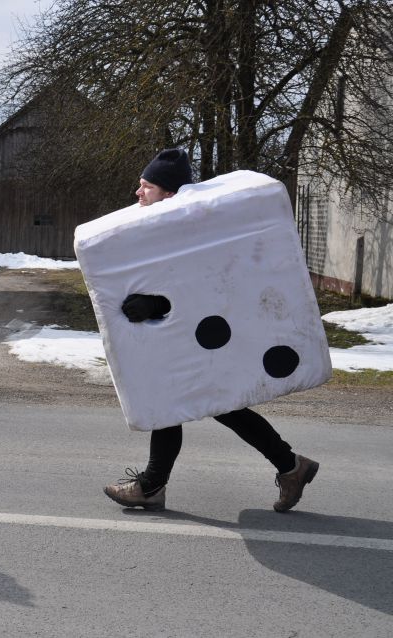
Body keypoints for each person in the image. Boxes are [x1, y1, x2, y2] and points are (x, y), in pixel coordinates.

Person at [102, 148, 319, 513]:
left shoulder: (186, 232)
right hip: (192, 337)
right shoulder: (161, 228)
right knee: (217, 406)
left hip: (202, 336)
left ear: (168, 193)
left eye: (146, 187)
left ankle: (152, 486)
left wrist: (155, 305)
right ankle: (291, 466)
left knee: (184, 404)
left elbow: (199, 288)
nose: (138, 194)